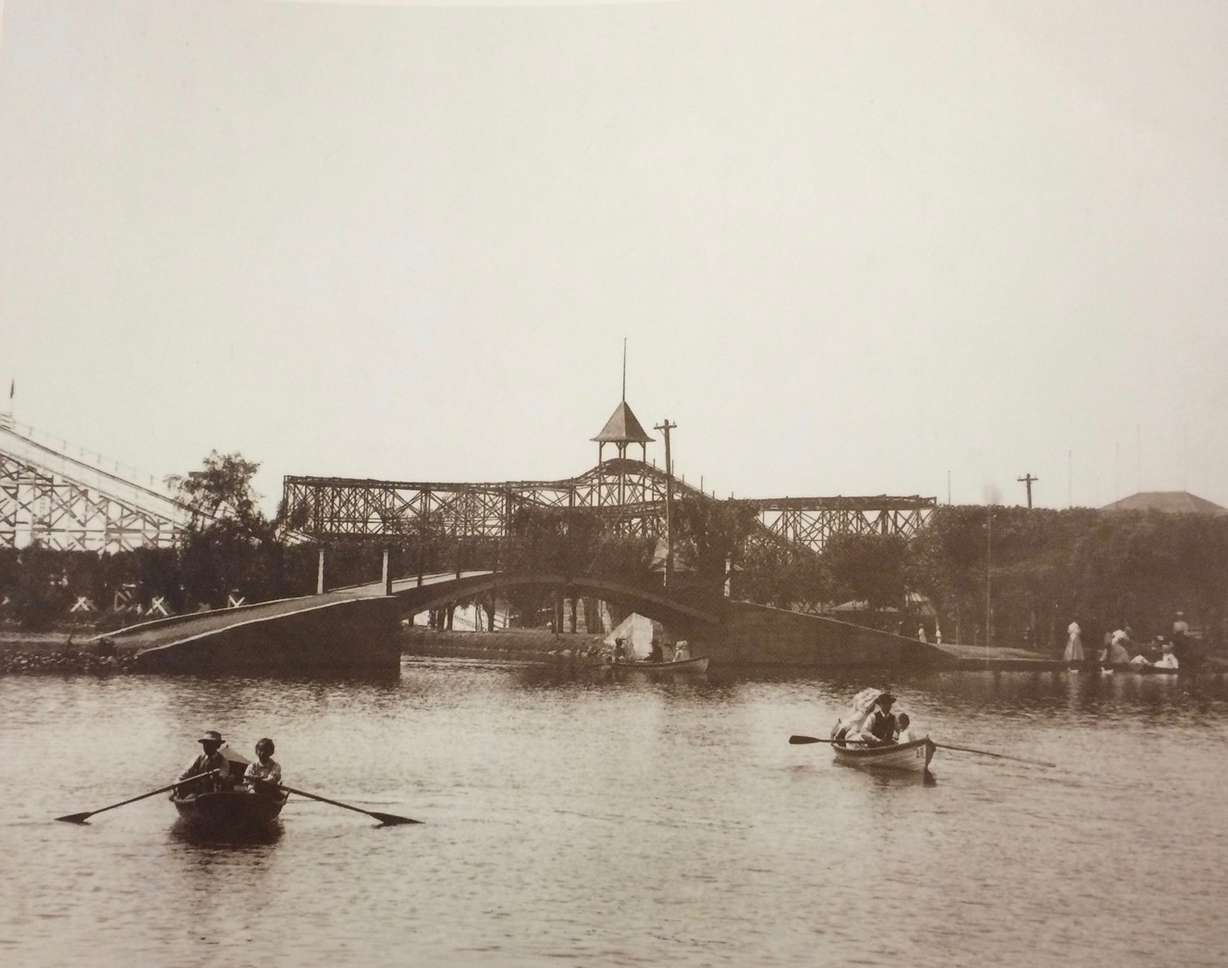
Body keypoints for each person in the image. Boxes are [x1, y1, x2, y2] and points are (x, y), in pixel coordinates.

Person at [178, 730, 231, 795]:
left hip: (215, 792)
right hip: (198, 792)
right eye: (205, 744)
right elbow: (184, 775)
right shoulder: (198, 758)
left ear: (218, 746)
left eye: (210, 744)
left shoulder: (223, 761)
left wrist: (217, 777)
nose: (206, 747)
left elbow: (223, 775)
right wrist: (177, 784)